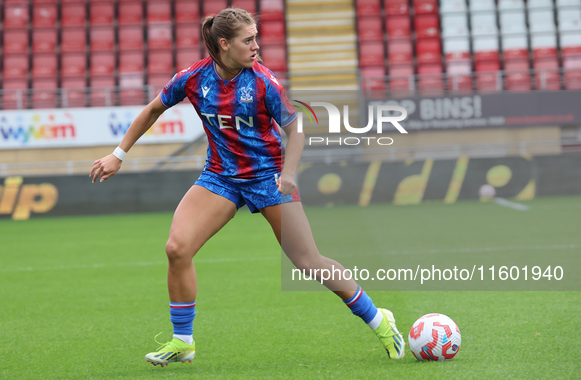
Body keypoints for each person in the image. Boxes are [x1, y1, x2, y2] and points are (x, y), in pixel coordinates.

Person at [89, 8, 405, 367]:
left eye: (256, 37)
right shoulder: (192, 78)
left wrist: (288, 172)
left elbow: (296, 131)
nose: (257, 46)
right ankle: (183, 342)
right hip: (219, 176)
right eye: (248, 39)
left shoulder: (265, 83)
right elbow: (152, 110)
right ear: (224, 44)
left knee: (307, 261)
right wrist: (119, 154)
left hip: (268, 177)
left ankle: (380, 321)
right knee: (177, 248)